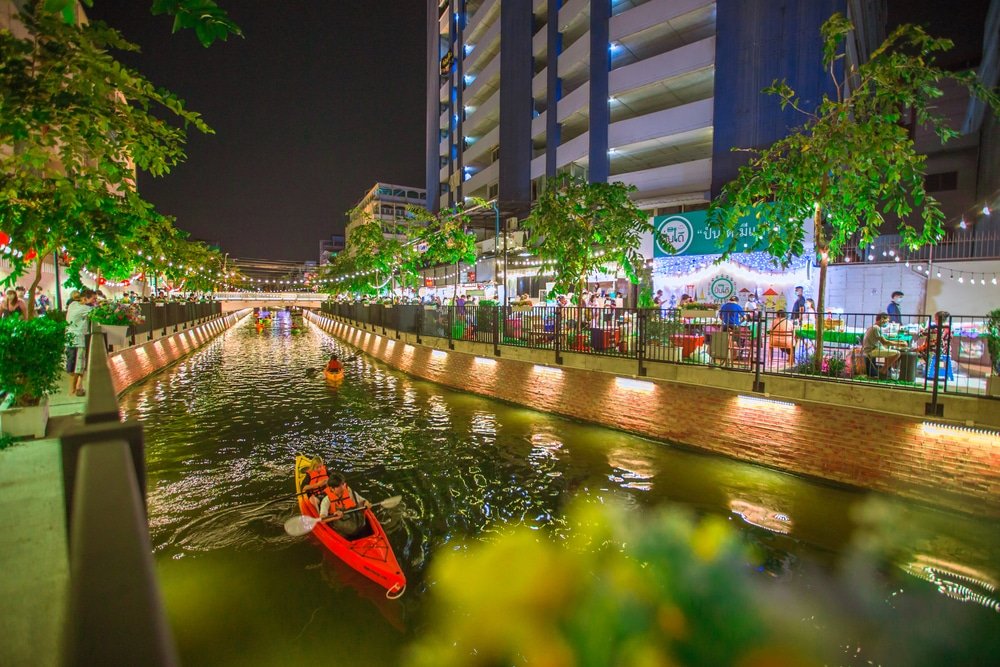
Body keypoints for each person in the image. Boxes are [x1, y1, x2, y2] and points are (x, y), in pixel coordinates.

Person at [300, 458, 371, 538]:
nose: (343, 487)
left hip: (353, 520)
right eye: (339, 486)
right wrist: (317, 485)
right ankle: (316, 515)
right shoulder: (326, 500)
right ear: (332, 488)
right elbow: (323, 519)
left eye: (343, 484)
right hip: (318, 494)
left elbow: (362, 500)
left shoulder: (349, 491)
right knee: (313, 500)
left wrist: (366, 503)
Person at [65, 289, 98, 396]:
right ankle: (75, 388)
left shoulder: (72, 304)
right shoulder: (86, 308)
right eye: (93, 298)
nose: (95, 301)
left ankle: (77, 387)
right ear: (85, 298)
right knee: (80, 365)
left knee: (71, 365)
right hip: (79, 339)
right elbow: (99, 312)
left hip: (69, 338)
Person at [862, 313, 907, 378]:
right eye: (887, 321)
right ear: (882, 319)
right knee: (897, 353)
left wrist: (900, 342)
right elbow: (885, 342)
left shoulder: (873, 327)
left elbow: (884, 341)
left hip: (873, 348)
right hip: (871, 351)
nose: (887, 323)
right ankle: (883, 371)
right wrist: (900, 344)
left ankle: (886, 371)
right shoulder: (876, 328)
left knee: (889, 350)